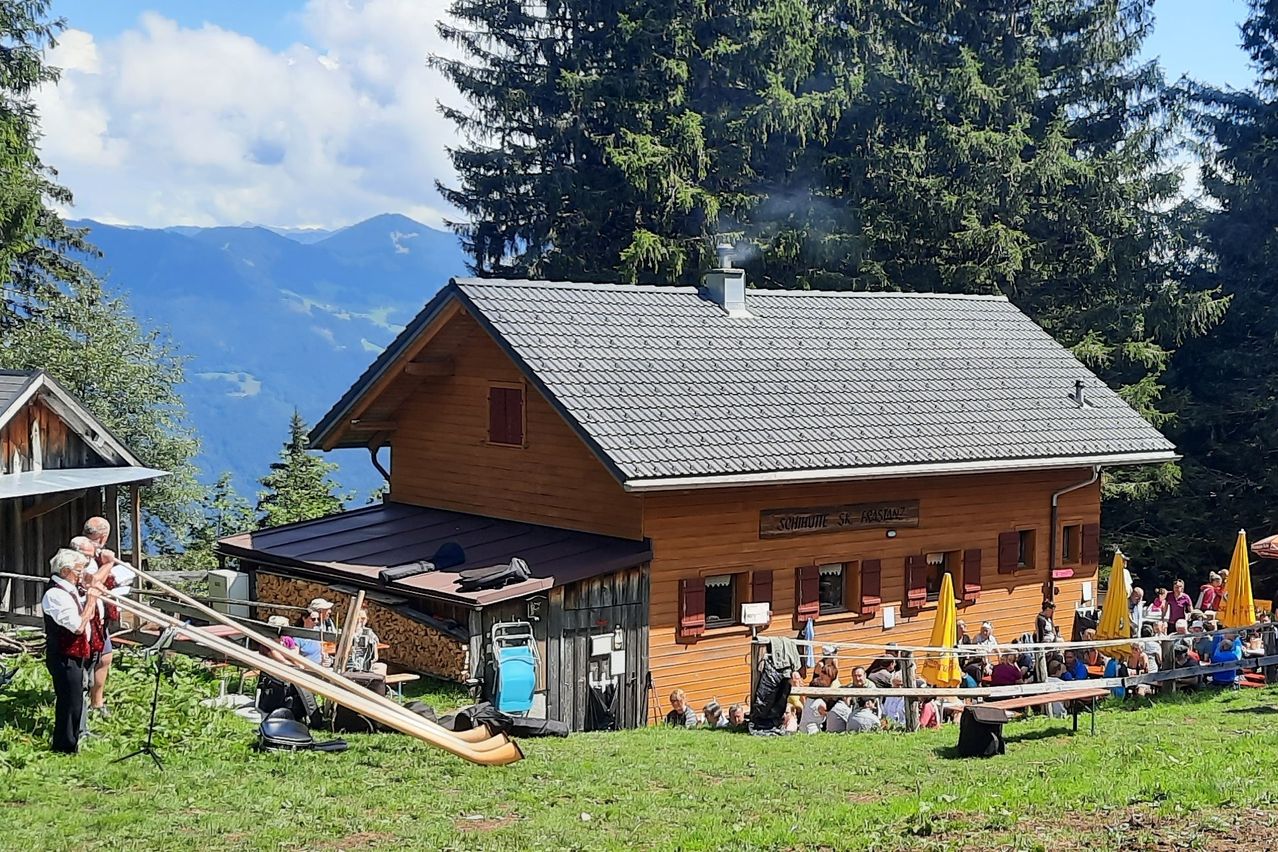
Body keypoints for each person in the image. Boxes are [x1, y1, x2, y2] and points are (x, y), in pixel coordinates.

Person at [42, 548, 102, 753]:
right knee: (69, 701)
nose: (81, 574)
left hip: (74, 653)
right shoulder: (56, 594)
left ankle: (70, 742)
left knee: (75, 700)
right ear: (66, 570)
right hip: (63, 653)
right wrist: (92, 600)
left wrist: (90, 593)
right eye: (78, 570)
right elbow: (76, 626)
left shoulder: (69, 589)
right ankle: (64, 747)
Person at [71, 526, 136, 718]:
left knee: (105, 657)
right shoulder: (75, 560)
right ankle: (79, 708)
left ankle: (97, 703)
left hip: (98, 617)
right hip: (82, 620)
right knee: (82, 663)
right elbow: (91, 581)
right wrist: (108, 566)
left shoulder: (93, 554)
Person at [346, 608, 385, 675]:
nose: (360, 621)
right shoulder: (348, 631)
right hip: (351, 663)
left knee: (382, 667)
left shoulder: (368, 632)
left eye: (363, 618)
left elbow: (376, 642)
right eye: (359, 618)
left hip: (365, 663)